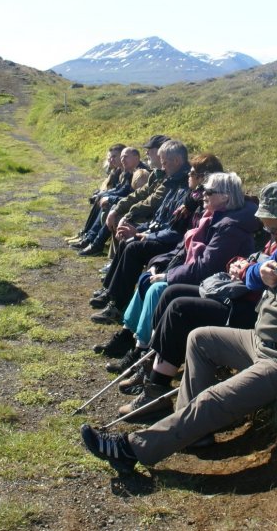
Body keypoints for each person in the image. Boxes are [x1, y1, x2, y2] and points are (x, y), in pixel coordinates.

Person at [80, 181, 277, 475]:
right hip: (260, 341)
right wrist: (257, 272)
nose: (270, 233)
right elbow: (252, 278)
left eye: (273, 226)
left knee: (212, 400)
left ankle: (131, 449)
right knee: (200, 339)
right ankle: (191, 432)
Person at [113, 172, 260, 415]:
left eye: (208, 191)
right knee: (170, 294)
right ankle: (151, 364)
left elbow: (205, 267)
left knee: (177, 305)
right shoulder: (211, 218)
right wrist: (162, 267)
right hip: (218, 288)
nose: (202, 195)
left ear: (225, 197)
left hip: (229, 296)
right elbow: (184, 250)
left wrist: (168, 276)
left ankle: (156, 390)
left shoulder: (230, 227)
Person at [88, 139, 191, 323]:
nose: (163, 167)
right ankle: (111, 292)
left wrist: (144, 234)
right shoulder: (173, 181)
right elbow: (159, 216)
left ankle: (117, 306)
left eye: (165, 162)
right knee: (127, 241)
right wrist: (137, 229)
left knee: (133, 248)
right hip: (160, 234)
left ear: (177, 161)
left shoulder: (185, 188)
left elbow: (175, 229)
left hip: (172, 243)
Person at [75, 147, 150, 255]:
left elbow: (135, 198)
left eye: (126, 157)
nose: (123, 159)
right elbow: (123, 190)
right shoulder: (129, 171)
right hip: (133, 206)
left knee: (112, 209)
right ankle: (88, 237)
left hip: (140, 211)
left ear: (136, 157)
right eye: (122, 157)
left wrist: (109, 198)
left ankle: (96, 244)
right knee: (104, 202)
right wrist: (104, 195)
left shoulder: (142, 173)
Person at [68, 144, 126, 246]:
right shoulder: (119, 170)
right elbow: (118, 189)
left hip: (126, 204)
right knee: (101, 199)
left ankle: (92, 241)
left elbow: (125, 192)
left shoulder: (133, 171)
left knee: (107, 204)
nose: (111, 160)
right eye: (110, 157)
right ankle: (86, 234)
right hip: (123, 201)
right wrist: (103, 194)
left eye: (114, 156)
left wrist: (107, 196)